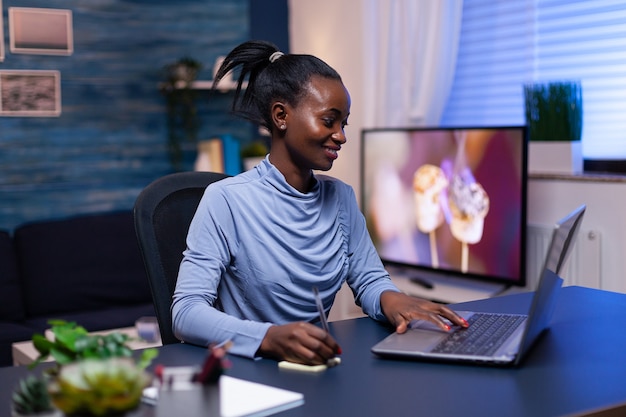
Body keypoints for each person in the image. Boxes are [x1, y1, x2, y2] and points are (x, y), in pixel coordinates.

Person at [171, 40, 468, 366]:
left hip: (319, 368)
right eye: (329, 121)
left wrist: (393, 298)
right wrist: (268, 338)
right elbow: (186, 312)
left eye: (344, 123)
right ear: (281, 116)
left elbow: (369, 280)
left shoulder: (341, 197)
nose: (341, 135)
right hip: (251, 371)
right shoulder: (226, 199)